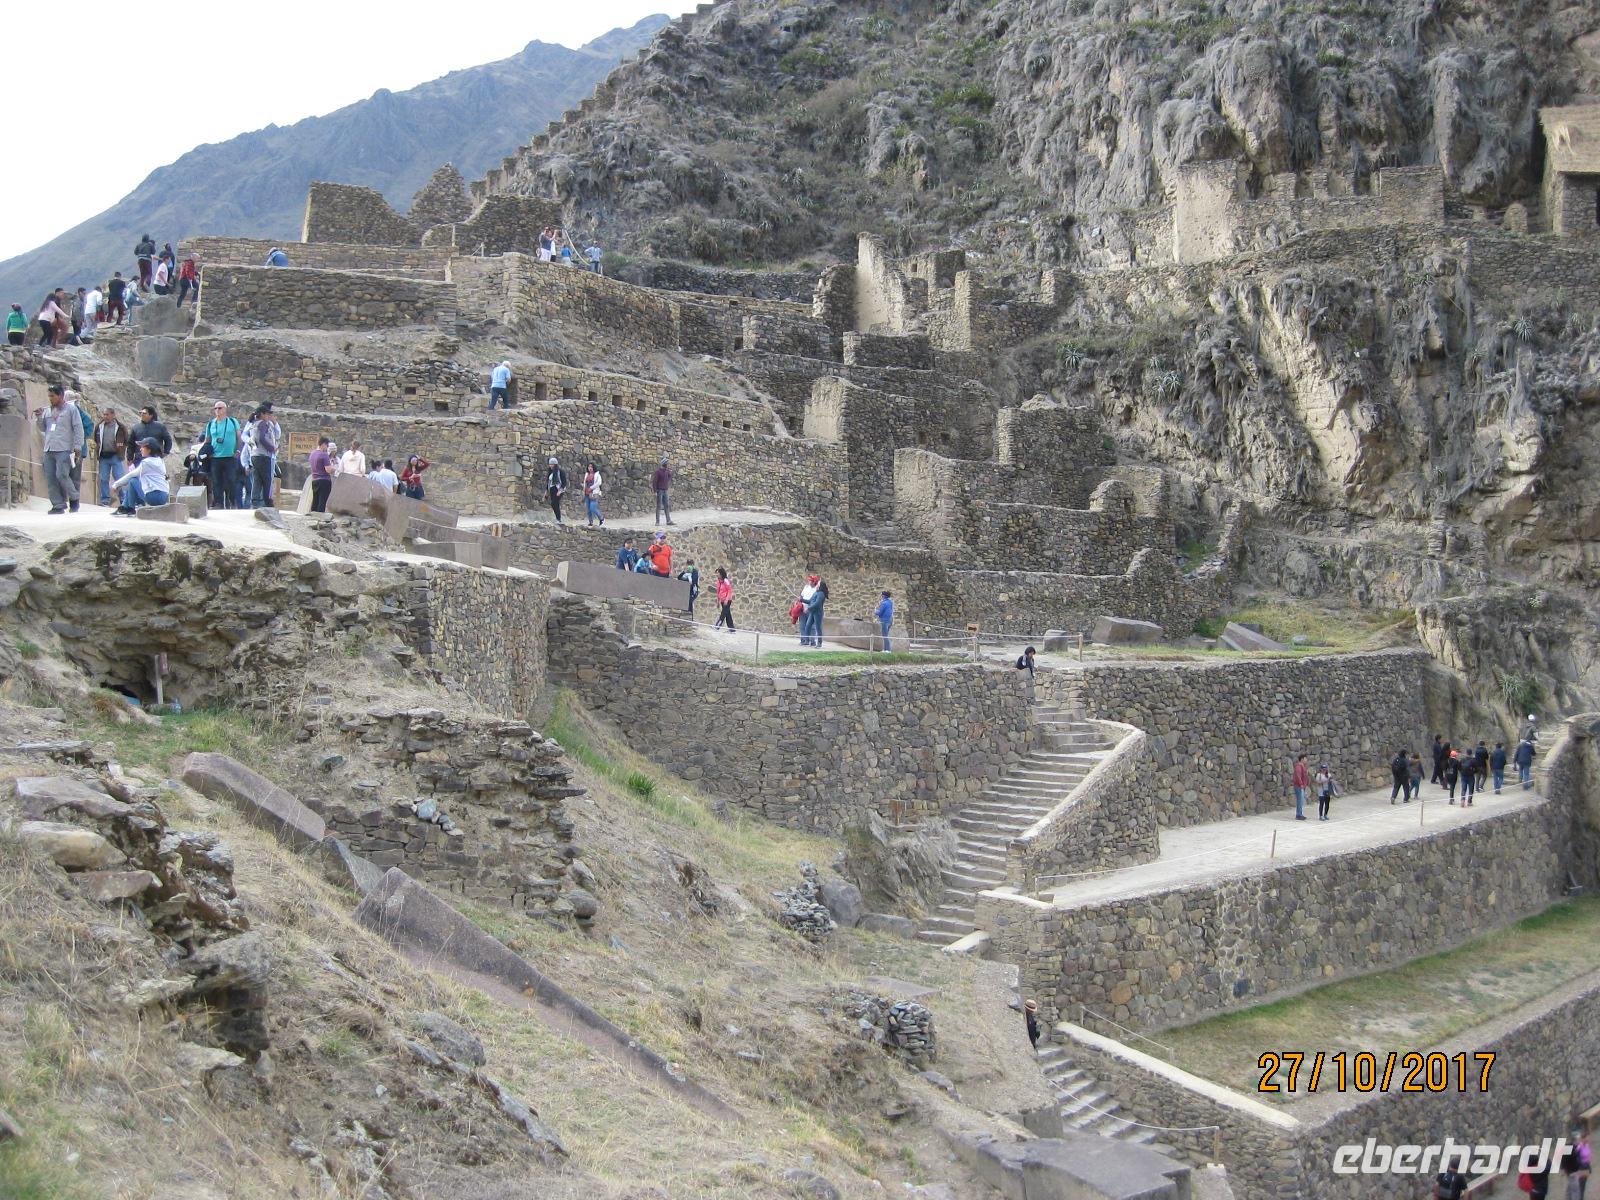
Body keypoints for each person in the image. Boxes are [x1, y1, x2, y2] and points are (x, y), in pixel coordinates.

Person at [35, 385, 82, 513]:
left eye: (52, 396)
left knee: (61, 475)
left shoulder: (71, 410)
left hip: (64, 448)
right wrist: (39, 417)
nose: (50, 399)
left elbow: (78, 428)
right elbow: (43, 428)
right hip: (49, 448)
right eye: (49, 396)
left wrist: (78, 445)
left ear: (60, 396)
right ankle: (58, 504)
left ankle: (74, 497)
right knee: (50, 477)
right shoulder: (47, 411)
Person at [203, 400, 244, 509]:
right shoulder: (211, 424)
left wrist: (238, 451)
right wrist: (206, 452)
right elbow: (207, 440)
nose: (217, 410)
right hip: (215, 457)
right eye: (215, 408)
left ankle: (233, 502)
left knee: (231, 480)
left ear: (225, 409)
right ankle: (218, 503)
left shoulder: (232, 421)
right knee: (216, 481)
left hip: (230, 456)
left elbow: (239, 438)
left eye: (220, 408)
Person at [109, 439, 170, 512]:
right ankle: (124, 506)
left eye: (143, 447)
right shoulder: (160, 461)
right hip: (164, 496)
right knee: (134, 482)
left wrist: (116, 485)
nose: (140, 449)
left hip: (153, 497)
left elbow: (131, 475)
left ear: (149, 450)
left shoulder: (147, 463)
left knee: (132, 480)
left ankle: (130, 508)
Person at [92, 408, 128, 507]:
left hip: (115, 456)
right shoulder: (99, 426)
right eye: (104, 414)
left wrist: (121, 448)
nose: (105, 417)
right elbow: (96, 438)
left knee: (119, 478)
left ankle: (123, 500)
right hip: (103, 456)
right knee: (103, 478)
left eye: (107, 414)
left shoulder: (120, 427)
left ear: (113, 415)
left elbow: (126, 439)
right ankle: (105, 500)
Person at [250, 406, 280, 508]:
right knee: (267, 479)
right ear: (262, 414)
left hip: (255, 455)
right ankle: (268, 501)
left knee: (257, 479)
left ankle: (255, 501)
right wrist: (272, 448)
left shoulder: (254, 424)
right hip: (263, 455)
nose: (268, 416)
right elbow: (261, 438)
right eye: (267, 414)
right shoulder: (263, 424)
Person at [307, 437, 334, 512]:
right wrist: (333, 469)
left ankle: (313, 517)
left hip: (314, 480)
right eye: (327, 445)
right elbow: (328, 470)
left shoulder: (312, 453)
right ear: (323, 444)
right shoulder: (324, 455)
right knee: (322, 502)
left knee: (315, 501)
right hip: (324, 480)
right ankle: (320, 519)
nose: (327, 448)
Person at [801, 574, 827, 647]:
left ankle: (819, 643)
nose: (817, 585)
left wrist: (808, 608)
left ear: (820, 586)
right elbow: (810, 601)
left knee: (818, 628)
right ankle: (807, 641)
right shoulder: (816, 593)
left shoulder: (821, 594)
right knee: (808, 626)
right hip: (813, 612)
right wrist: (801, 600)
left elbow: (817, 604)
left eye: (818, 584)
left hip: (818, 613)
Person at [545, 456, 567, 523]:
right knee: (554, 504)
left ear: (555, 464)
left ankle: (558, 518)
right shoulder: (550, 473)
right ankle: (558, 518)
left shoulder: (560, 472)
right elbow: (548, 483)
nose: (551, 466)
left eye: (552, 464)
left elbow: (564, 482)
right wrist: (546, 492)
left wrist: (560, 491)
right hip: (552, 489)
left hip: (558, 489)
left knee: (554, 503)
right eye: (550, 464)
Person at [652, 456, 673, 525]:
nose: (668, 465)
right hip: (660, 491)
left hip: (665, 490)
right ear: (664, 464)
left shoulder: (666, 472)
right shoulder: (658, 472)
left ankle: (668, 521)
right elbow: (654, 482)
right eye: (667, 464)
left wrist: (669, 475)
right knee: (659, 506)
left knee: (666, 505)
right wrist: (655, 491)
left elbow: (669, 477)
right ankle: (657, 522)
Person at [582, 461, 604, 526]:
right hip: (586, 493)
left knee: (592, 508)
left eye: (591, 467)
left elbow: (599, 483)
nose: (590, 468)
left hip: (594, 493)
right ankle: (590, 522)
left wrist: (591, 488)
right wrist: (584, 490)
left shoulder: (597, 475)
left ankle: (601, 518)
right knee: (588, 509)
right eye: (589, 467)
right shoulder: (587, 474)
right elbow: (585, 483)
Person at [1292, 754, 1311, 821]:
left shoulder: (1302, 766)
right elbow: (1298, 776)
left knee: (1301, 800)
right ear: (1302, 759)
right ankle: (1299, 814)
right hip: (1299, 786)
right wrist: (1301, 784)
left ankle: (1299, 814)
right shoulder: (1299, 766)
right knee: (1300, 800)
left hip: (1301, 785)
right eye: (1305, 758)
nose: (1306, 760)